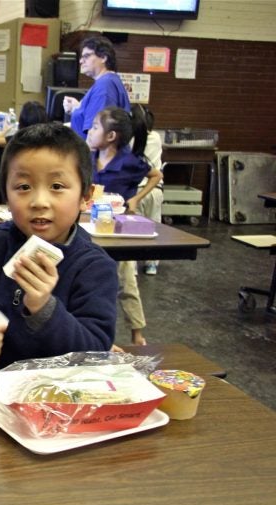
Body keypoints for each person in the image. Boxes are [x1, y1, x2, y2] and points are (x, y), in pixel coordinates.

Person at [0, 123, 118, 389]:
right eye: (23, 186)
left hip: (56, 400)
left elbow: (93, 351)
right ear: (6, 194)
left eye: (57, 186)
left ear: (85, 196)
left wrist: (44, 308)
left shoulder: (95, 267)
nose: (38, 201)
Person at [86, 106, 163, 346]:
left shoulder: (130, 162)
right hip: (89, 229)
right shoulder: (88, 157)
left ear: (111, 136)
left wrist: (136, 199)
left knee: (126, 281)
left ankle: (137, 334)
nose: (90, 130)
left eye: (96, 127)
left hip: (118, 232)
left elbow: (156, 175)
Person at [63, 35, 131, 139]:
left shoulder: (104, 86)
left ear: (103, 57)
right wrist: (78, 108)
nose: (81, 61)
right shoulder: (109, 82)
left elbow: (98, 136)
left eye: (86, 56)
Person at [131, 104, 164, 275]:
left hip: (137, 190)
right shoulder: (157, 137)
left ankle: (133, 264)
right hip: (155, 190)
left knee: (133, 229)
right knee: (154, 227)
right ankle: (152, 264)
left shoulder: (131, 139)